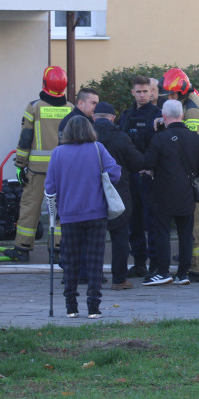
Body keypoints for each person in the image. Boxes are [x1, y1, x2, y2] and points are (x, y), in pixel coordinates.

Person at [43, 114, 120, 319]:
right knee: (95, 260)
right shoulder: (98, 149)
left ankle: (71, 307)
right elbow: (115, 174)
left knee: (71, 260)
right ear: (89, 130)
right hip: (96, 213)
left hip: (68, 215)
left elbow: (49, 187)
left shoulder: (58, 153)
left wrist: (54, 212)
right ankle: (94, 306)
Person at [5, 66, 74, 262]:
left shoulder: (34, 107)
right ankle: (58, 250)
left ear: (44, 84)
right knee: (62, 210)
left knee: (29, 207)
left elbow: (25, 139)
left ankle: (22, 248)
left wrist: (20, 165)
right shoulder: (70, 109)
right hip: (63, 171)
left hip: (37, 170)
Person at [141, 99, 199, 286]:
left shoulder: (160, 138)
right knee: (186, 234)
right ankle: (183, 274)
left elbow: (147, 162)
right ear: (182, 115)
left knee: (163, 233)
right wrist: (196, 177)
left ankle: (163, 272)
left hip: (163, 193)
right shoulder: (195, 138)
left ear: (163, 116)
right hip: (187, 192)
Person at [162, 67, 199, 282]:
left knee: (198, 220)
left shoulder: (193, 111)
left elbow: (192, 146)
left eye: (172, 94)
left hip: (195, 176)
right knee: (191, 219)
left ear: (181, 91)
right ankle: (192, 259)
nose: (170, 98)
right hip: (193, 174)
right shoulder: (190, 103)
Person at [93, 101, 144, 290]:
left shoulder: (84, 136)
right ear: (113, 118)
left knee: (93, 236)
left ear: (93, 117)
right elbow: (137, 163)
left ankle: (94, 276)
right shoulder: (121, 138)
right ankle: (119, 279)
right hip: (118, 193)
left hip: (90, 194)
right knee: (120, 236)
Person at [119, 75, 161, 278]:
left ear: (151, 92)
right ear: (132, 93)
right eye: (139, 91)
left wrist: (151, 166)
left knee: (151, 221)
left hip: (149, 176)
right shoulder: (126, 116)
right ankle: (138, 263)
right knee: (132, 220)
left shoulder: (157, 115)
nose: (142, 95)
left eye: (146, 91)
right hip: (130, 175)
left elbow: (160, 146)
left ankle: (154, 263)